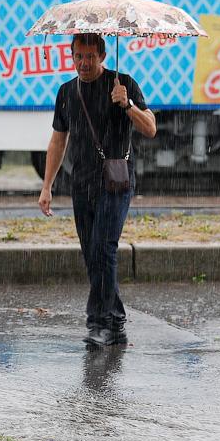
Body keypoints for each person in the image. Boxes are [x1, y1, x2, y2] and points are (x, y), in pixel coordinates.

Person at [38, 33, 156, 347]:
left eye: (90, 56)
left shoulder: (123, 83)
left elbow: (151, 127)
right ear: (71, 55)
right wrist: (47, 186)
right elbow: (58, 140)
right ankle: (102, 320)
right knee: (92, 254)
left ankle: (110, 324)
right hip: (82, 184)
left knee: (104, 248)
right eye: (79, 56)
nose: (84, 63)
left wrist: (127, 104)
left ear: (102, 56)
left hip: (116, 182)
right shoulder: (67, 92)